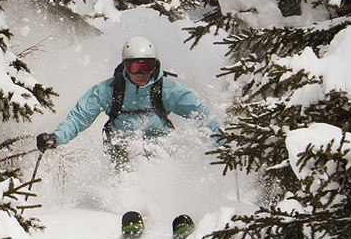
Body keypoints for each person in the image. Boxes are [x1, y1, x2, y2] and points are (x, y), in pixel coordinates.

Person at [36, 36, 221, 168]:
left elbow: (200, 113)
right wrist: (57, 137)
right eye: (135, 67)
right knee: (124, 156)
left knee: (160, 158)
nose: (140, 74)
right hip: (121, 147)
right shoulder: (109, 90)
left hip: (160, 145)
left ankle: (164, 204)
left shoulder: (168, 89)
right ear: (125, 66)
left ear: (154, 66)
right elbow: (80, 117)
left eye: (146, 67)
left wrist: (222, 138)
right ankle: (127, 204)